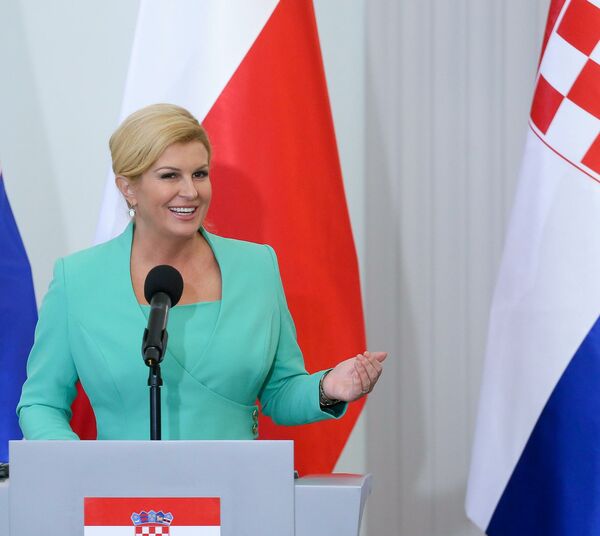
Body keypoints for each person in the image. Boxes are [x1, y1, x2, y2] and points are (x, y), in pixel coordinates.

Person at [17, 103, 387, 441]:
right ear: (128, 187)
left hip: (237, 486)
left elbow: (281, 391)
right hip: (121, 491)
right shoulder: (78, 280)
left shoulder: (256, 267)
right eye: (169, 176)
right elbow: (41, 403)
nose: (190, 191)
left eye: (199, 174)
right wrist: (80, 471)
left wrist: (328, 387)